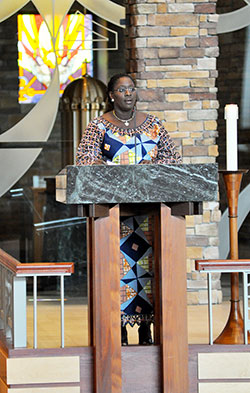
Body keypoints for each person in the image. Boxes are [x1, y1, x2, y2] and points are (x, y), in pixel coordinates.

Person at [76, 73, 182, 345]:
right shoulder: (98, 126)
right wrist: (111, 170)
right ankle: (119, 328)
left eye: (132, 89)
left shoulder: (154, 125)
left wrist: (152, 167)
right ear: (111, 95)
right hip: (114, 216)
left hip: (150, 216)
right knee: (119, 271)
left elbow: (173, 159)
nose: (128, 94)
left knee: (147, 271)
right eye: (122, 90)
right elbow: (85, 159)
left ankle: (146, 328)